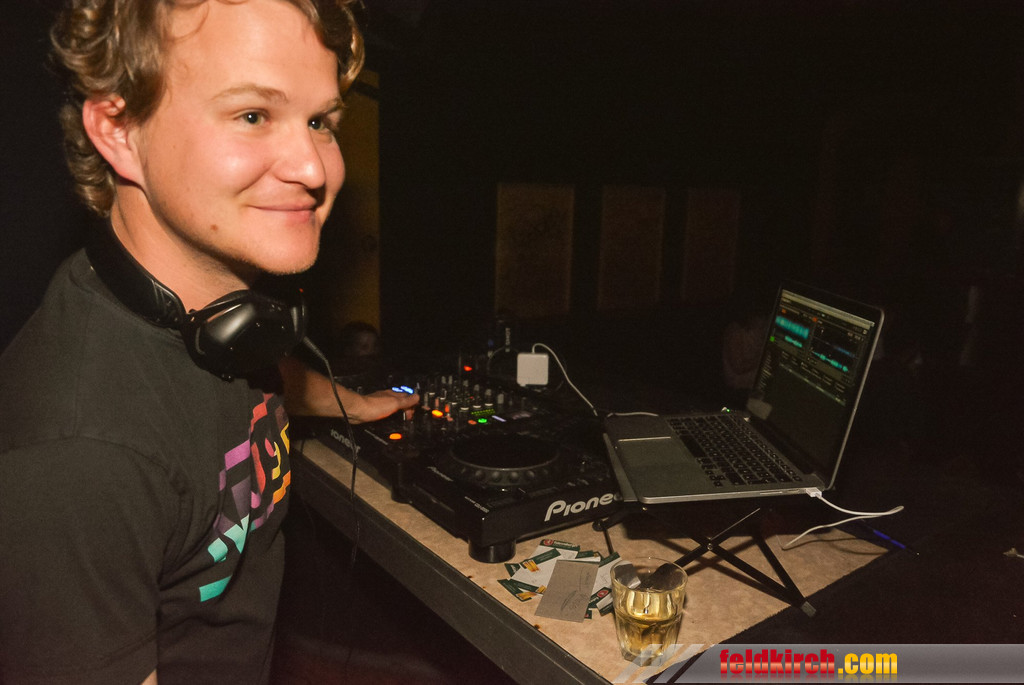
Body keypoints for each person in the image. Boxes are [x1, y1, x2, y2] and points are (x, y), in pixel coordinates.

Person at [0, 1, 418, 683]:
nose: (313, 168)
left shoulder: (216, 323)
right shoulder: (78, 461)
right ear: (118, 131)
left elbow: (232, 383)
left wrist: (345, 400)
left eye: (320, 121)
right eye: (253, 115)